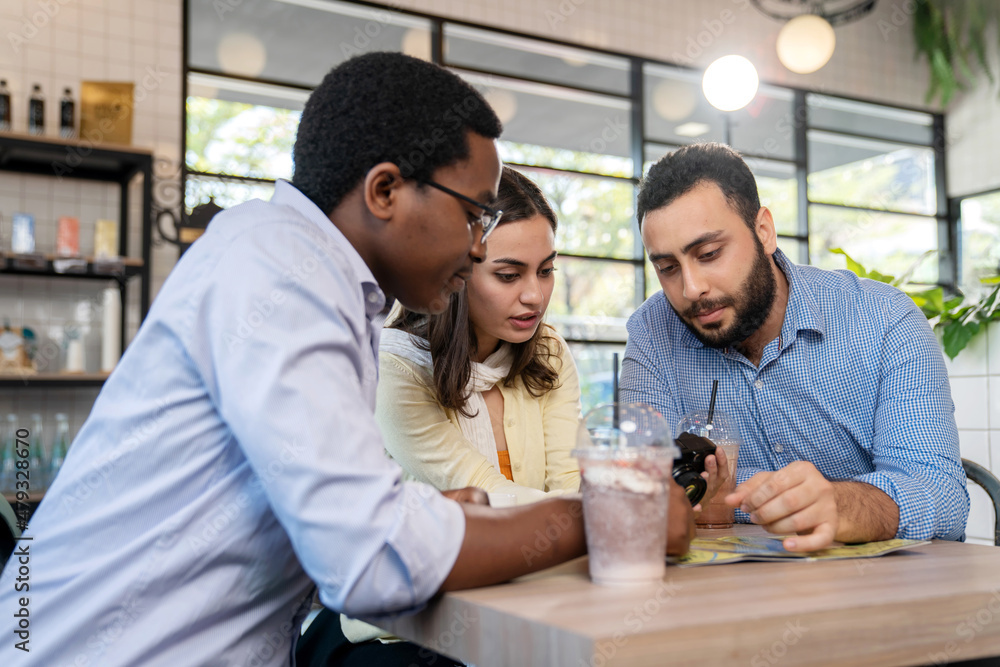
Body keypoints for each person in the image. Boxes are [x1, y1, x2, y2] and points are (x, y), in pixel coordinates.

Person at [0, 53, 692, 667]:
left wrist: (416, 513)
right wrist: (607, 516)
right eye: (475, 214)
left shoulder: (322, 281)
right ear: (385, 190)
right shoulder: (280, 271)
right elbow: (370, 560)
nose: (479, 246)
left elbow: (326, 514)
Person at [621, 142, 967, 553]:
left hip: (882, 591)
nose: (691, 288)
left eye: (709, 254)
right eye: (668, 268)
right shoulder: (652, 329)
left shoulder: (884, 320)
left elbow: (941, 496)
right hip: (723, 594)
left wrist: (839, 506)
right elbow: (638, 489)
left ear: (763, 230)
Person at [377, 166, 580, 505]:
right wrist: (604, 509)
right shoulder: (396, 370)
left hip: (550, 554)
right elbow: (486, 496)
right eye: (508, 275)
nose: (535, 295)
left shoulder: (547, 350)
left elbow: (572, 481)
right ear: (455, 270)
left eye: (546, 271)